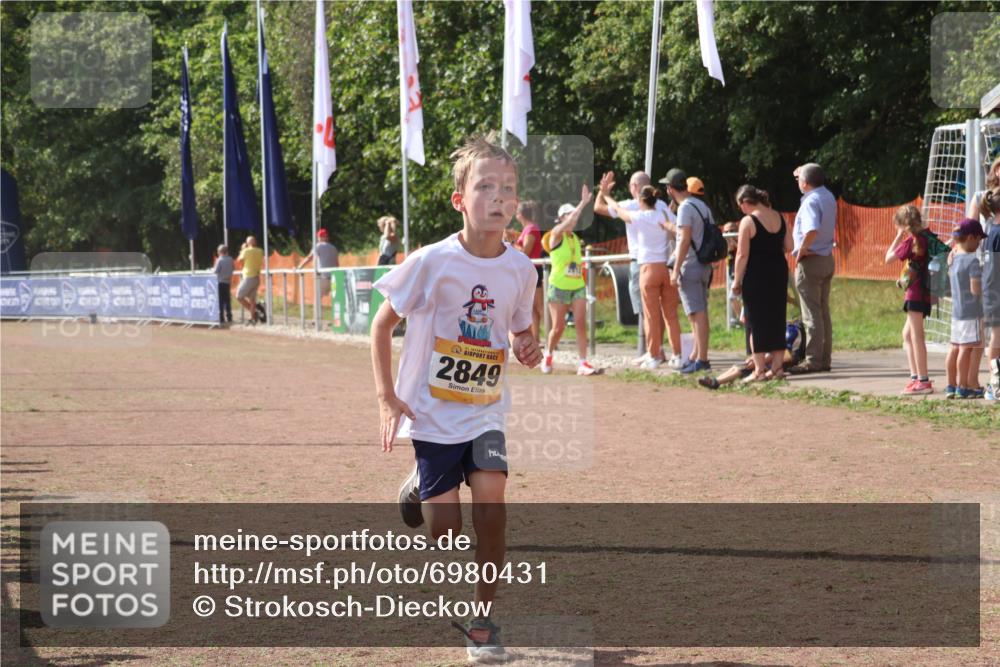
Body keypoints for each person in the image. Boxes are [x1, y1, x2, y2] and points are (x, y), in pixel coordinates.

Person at [370, 133, 541, 663]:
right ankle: (421, 481)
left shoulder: (521, 269)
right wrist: (386, 397)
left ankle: (484, 624)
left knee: (493, 512)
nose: (498, 197)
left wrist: (527, 345)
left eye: (507, 188)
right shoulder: (431, 262)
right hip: (431, 416)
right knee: (445, 533)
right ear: (459, 199)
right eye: (485, 186)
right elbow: (380, 326)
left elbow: (518, 329)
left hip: (485, 413)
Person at [594, 170, 681, 367]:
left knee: (649, 314)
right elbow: (678, 230)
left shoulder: (636, 213)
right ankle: (677, 354)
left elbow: (600, 207)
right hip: (667, 266)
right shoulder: (663, 210)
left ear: (635, 189)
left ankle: (654, 353)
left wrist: (604, 191)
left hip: (645, 266)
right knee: (670, 315)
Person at [731, 185, 792, 380]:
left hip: (756, 274)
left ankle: (759, 370)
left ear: (744, 203)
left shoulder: (748, 221)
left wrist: (736, 280)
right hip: (778, 271)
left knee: (755, 320)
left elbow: (741, 255)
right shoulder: (779, 217)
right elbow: (789, 246)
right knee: (776, 317)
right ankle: (777, 367)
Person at [540, 187, 597, 376]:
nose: (574, 218)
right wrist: (582, 203)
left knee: (581, 323)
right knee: (558, 327)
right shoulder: (555, 234)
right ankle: (548, 354)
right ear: (561, 218)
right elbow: (570, 221)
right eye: (569, 215)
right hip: (558, 287)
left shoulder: (574, 239)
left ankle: (583, 362)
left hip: (577, 286)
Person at [661, 168, 713, 374]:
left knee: (695, 313)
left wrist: (675, 270)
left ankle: (702, 359)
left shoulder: (684, 208)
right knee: (700, 313)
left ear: (670, 189)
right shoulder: (703, 206)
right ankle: (697, 356)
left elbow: (683, 240)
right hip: (704, 264)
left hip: (689, 265)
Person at [788, 163, 837, 374]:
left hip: (811, 259)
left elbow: (811, 230)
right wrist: (803, 173)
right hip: (826, 257)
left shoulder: (810, 202)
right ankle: (824, 359)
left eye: (800, 180)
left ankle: (813, 360)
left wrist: (801, 250)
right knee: (823, 312)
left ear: (805, 183)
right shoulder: (827, 196)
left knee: (811, 314)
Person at [884, 205, 934, 395]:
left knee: (916, 337)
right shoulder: (927, 237)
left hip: (915, 294)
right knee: (907, 335)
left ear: (904, 225)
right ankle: (915, 377)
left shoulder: (911, 242)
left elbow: (887, 258)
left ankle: (924, 381)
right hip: (925, 293)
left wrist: (898, 236)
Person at [969, 160, 1000, 401]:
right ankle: (991, 382)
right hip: (992, 286)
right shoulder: (992, 230)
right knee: (991, 335)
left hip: (992, 285)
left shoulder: (993, 230)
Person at [948, 218, 987, 399]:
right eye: (978, 240)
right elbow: (975, 289)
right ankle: (964, 386)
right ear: (970, 237)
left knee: (954, 348)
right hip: (971, 312)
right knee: (966, 348)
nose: (979, 244)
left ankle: (951, 384)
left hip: (956, 311)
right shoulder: (972, 262)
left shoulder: (953, 259)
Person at [509, 201, 544, 346]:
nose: (516, 214)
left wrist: (511, 242)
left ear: (521, 215)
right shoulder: (527, 229)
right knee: (532, 308)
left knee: (537, 307)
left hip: (534, 269)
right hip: (529, 271)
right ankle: (535, 338)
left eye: (517, 212)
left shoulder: (531, 229)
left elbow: (525, 252)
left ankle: (542, 337)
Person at [298, 228, 340, 296]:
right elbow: (337, 264)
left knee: (317, 299)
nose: (318, 239)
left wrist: (300, 267)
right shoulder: (334, 248)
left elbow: (309, 258)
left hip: (323, 278)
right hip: (334, 278)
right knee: (334, 298)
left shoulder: (318, 246)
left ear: (322, 237)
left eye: (318, 237)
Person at [236, 235, 264, 323]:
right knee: (252, 300)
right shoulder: (260, 251)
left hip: (248, 277)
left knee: (239, 296)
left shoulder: (246, 251)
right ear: (255, 242)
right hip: (256, 277)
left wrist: (242, 250)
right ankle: (253, 317)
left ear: (247, 243)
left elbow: (239, 261)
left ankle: (255, 312)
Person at [212, 244, 234, 325]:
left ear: (220, 252)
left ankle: (221, 317)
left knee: (220, 301)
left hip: (220, 282)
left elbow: (216, 271)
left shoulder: (219, 260)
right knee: (227, 300)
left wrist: (212, 269)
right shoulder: (231, 259)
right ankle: (229, 317)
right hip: (227, 282)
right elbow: (233, 268)